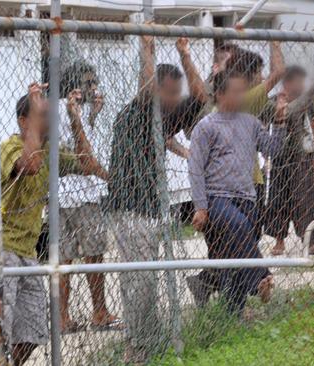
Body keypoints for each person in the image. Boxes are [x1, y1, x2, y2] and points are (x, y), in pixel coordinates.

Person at [0, 82, 105, 365]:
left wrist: (74, 119)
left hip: (27, 251)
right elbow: (29, 166)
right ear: (25, 121)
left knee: (33, 331)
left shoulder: (50, 150)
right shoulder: (10, 146)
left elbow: (87, 163)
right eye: (41, 115)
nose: (49, 120)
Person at [105, 36, 207, 363]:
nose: (178, 99)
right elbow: (146, 89)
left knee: (146, 280)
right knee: (139, 283)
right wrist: (146, 48)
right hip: (129, 209)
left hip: (150, 208)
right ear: (158, 90)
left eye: (178, 93)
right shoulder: (138, 112)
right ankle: (136, 349)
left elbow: (202, 97)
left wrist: (185, 53)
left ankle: (144, 344)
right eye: (172, 92)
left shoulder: (165, 114)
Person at [189, 69, 282, 315]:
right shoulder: (205, 126)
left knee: (234, 253)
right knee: (240, 228)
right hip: (216, 197)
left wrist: (280, 123)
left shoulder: (250, 122)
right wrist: (200, 206)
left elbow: (272, 149)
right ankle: (261, 278)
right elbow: (195, 168)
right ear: (219, 94)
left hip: (247, 196)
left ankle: (233, 313)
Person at [57, 60, 119, 332]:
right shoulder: (67, 110)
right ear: (75, 85)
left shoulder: (70, 109)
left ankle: (62, 317)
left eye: (95, 83)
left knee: (63, 259)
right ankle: (99, 311)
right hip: (82, 195)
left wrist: (93, 116)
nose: (94, 87)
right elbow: (86, 159)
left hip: (61, 196)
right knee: (94, 256)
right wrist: (112, 178)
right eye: (89, 82)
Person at [261, 66, 314, 256]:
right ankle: (279, 241)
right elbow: (263, 127)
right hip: (280, 157)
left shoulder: (307, 102)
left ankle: (311, 241)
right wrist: (265, 157)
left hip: (301, 156)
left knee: (306, 199)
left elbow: (312, 127)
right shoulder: (274, 102)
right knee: (278, 200)